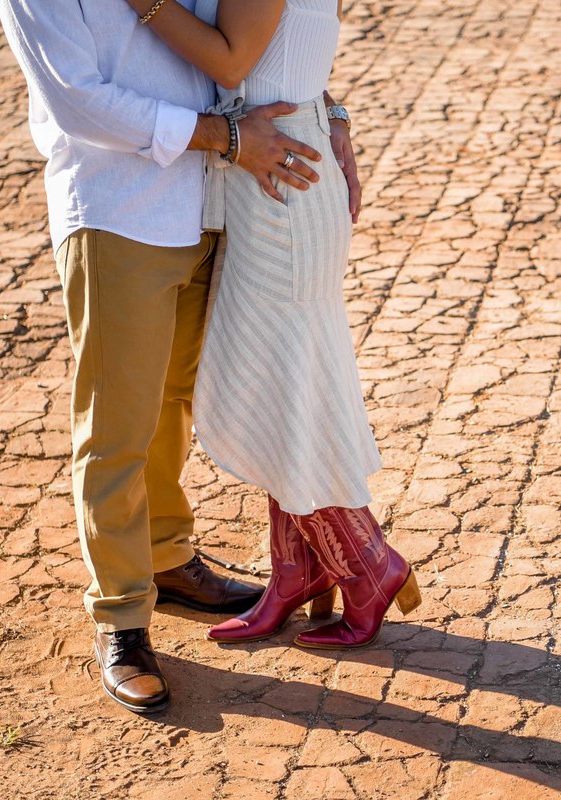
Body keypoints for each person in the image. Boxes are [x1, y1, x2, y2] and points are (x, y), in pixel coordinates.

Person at [0, 0, 334, 714]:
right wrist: (224, 138)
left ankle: (168, 558)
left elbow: (243, 42)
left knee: (174, 399)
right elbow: (78, 100)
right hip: (119, 209)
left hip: (214, 201)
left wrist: (330, 119)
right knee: (117, 423)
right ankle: (120, 616)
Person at [115, 0, 422, 651]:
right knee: (288, 385)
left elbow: (233, 58)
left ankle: (370, 565)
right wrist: (333, 111)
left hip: (279, 185)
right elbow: (285, 58)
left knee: (285, 390)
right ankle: (297, 570)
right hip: (277, 170)